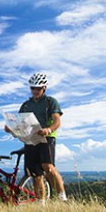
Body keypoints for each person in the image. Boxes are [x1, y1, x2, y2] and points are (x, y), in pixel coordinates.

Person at [5, 72, 67, 203]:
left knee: (48, 167)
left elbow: (57, 121)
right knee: (35, 174)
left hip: (47, 137)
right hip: (31, 138)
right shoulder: (26, 105)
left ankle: (62, 198)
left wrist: (48, 130)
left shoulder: (51, 102)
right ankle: (41, 204)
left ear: (44, 88)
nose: (35, 91)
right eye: (33, 88)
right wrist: (10, 129)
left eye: (38, 88)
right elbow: (20, 123)